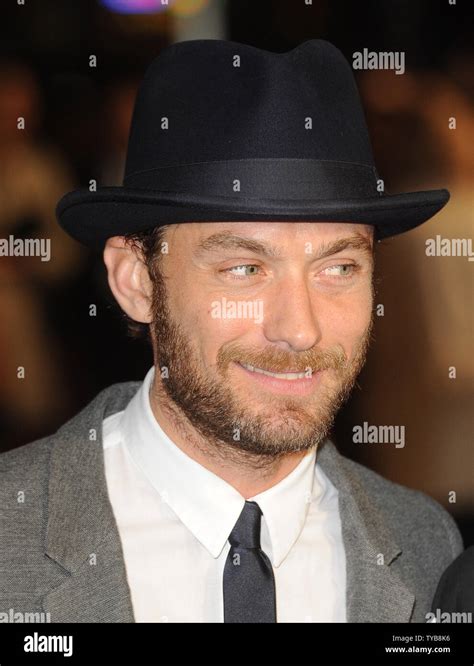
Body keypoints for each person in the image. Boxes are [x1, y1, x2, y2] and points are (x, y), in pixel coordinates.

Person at [0, 39, 463, 623]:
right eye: (245, 269)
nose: (300, 329)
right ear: (137, 281)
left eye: (339, 267)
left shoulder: (427, 547)